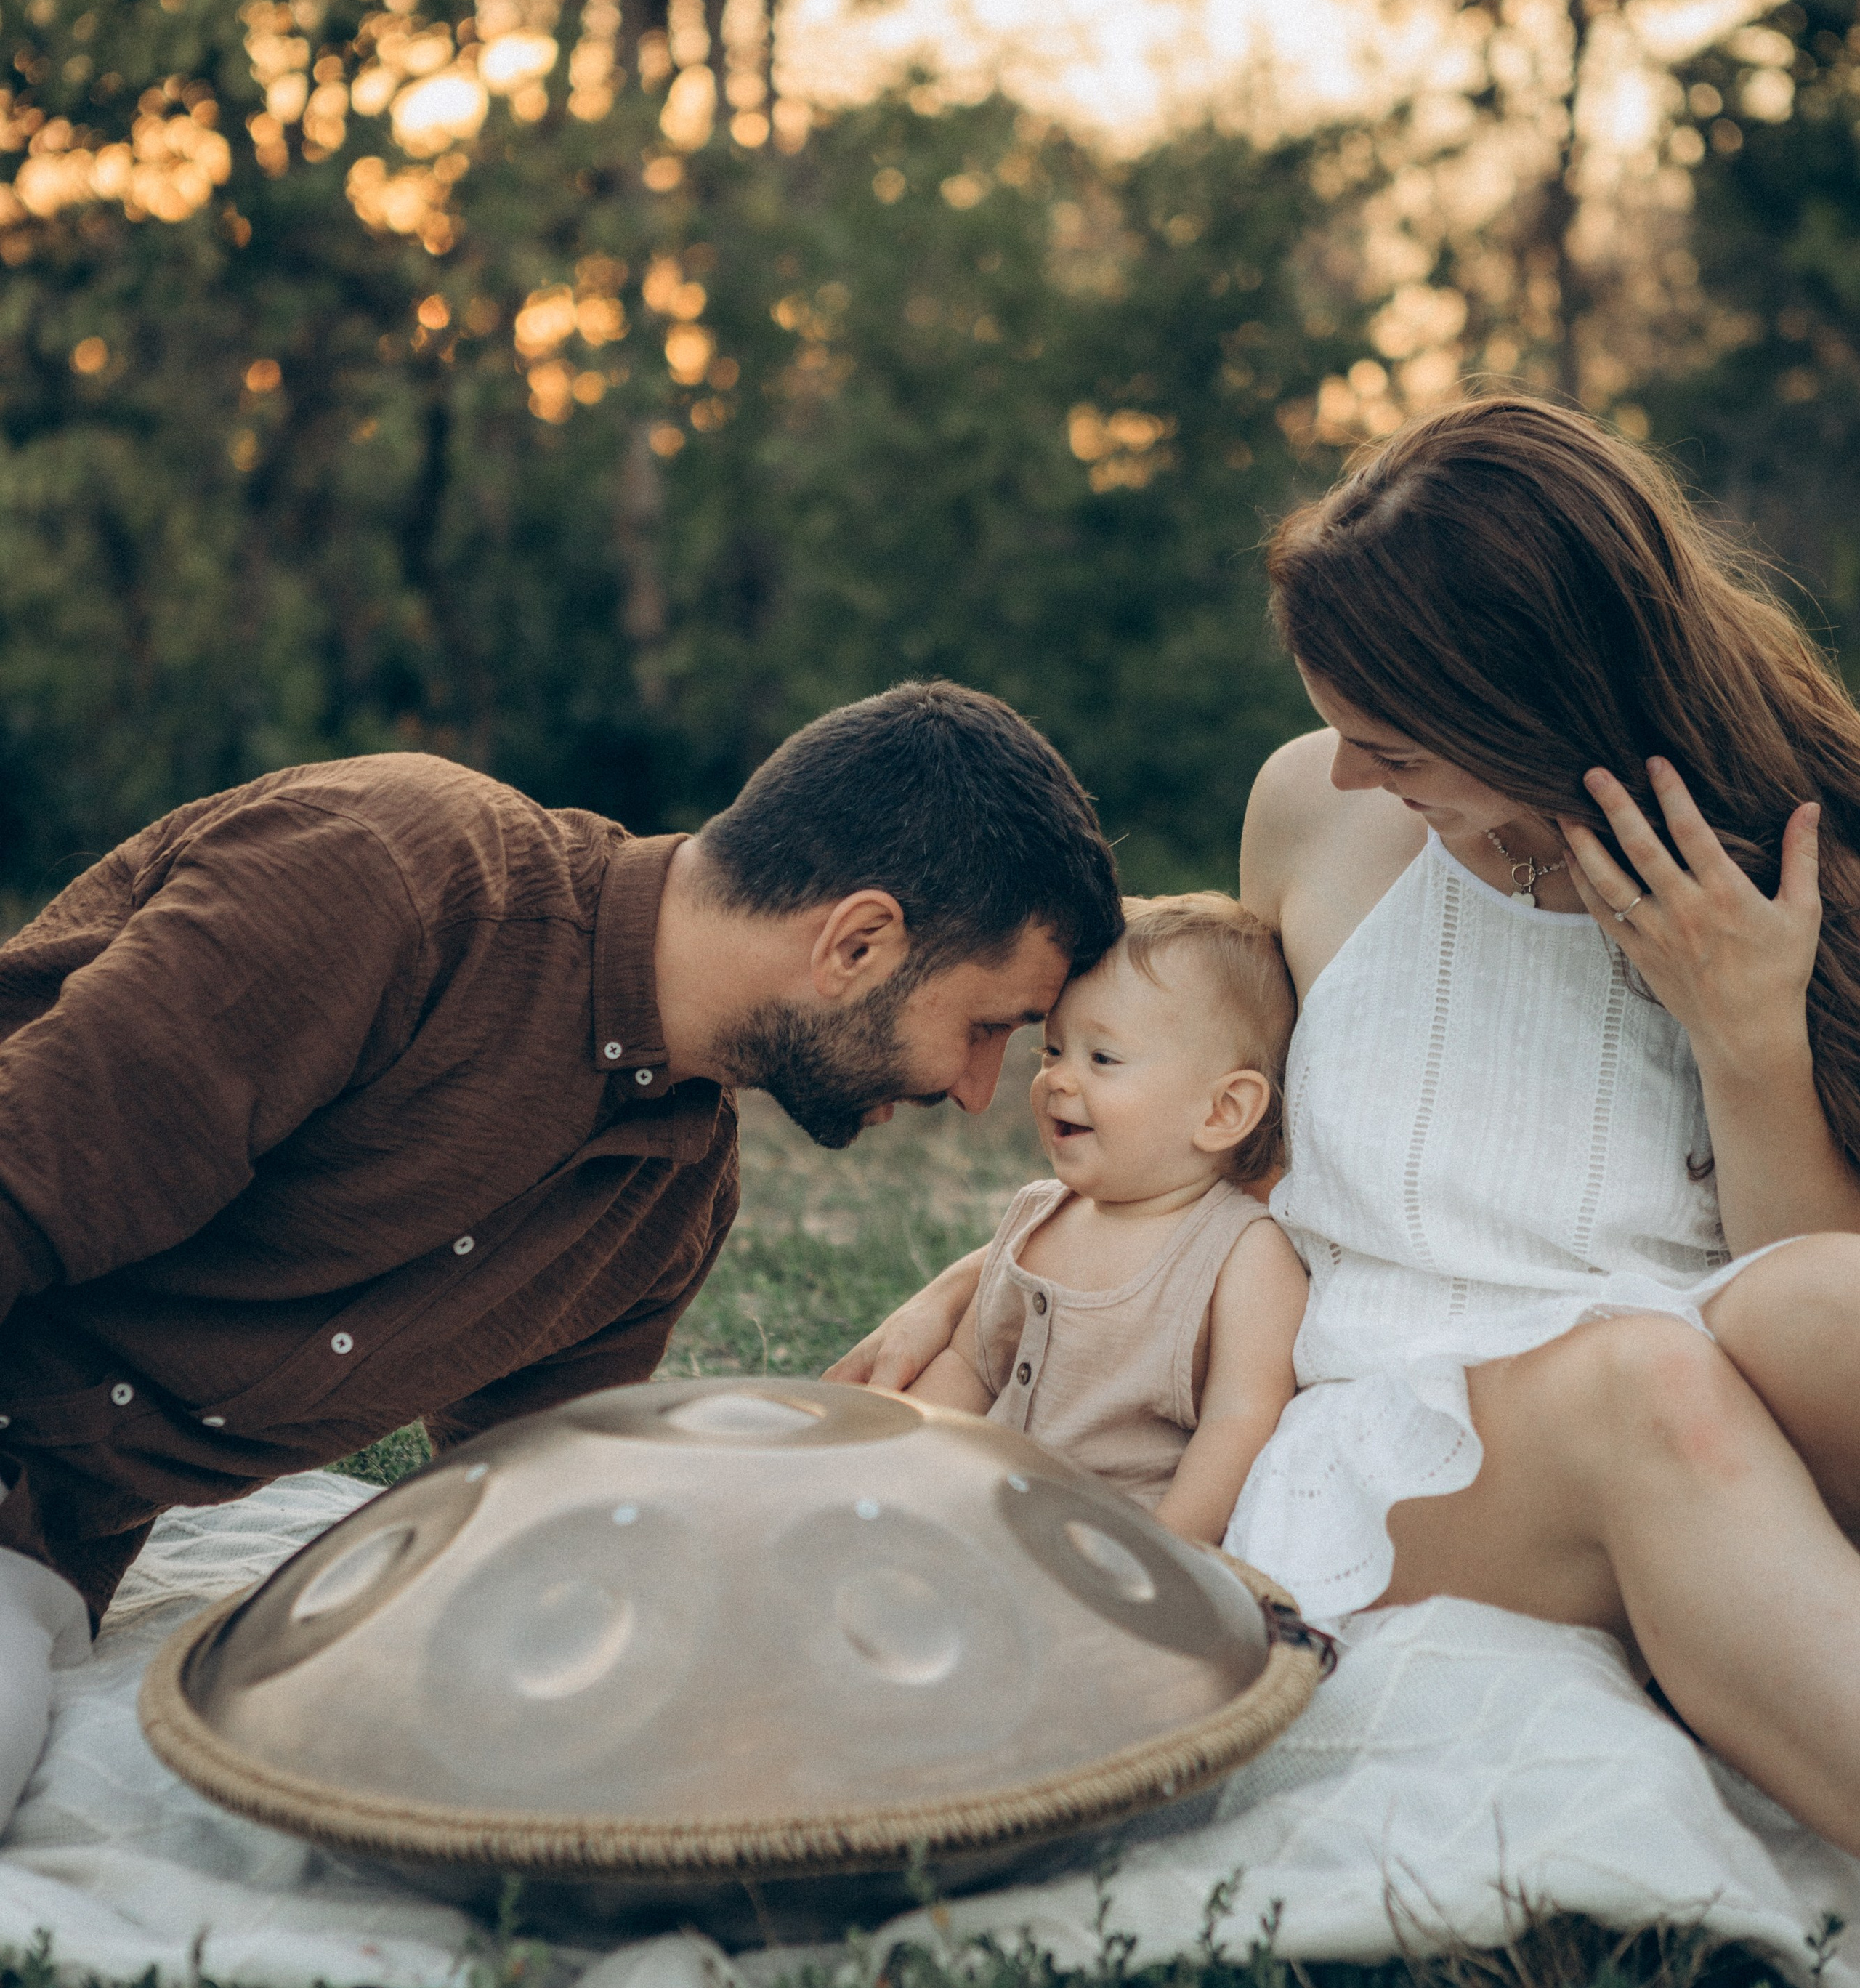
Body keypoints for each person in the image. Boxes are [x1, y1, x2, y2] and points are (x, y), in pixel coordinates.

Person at [830, 395, 1860, 1859]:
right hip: (1402, 1423)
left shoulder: (1792, 843)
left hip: (1696, 1336)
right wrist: (1005, 1264)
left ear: (1537, 708)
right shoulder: (1311, 814)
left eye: (1392, 743)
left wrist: (1744, 1035)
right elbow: (1225, 1129)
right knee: (1647, 1384)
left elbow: (1793, 1281)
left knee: (1831, 1304)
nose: (1352, 772)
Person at [0, 679, 1122, 1827]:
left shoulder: (671, 1203)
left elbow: (516, 1530)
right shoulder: (399, 878)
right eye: (988, 1027)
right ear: (860, 942)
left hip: (42, 1538)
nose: (977, 1091)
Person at [906, 894, 1309, 1542]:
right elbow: (969, 1368)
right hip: (984, 1517)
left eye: (1102, 1059)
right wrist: (899, 1464)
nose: (1059, 1080)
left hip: (1117, 1548)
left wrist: (1167, 1550)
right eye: (1053, 1051)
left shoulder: (1244, 1252)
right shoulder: (1037, 1217)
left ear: (1223, 1111)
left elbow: (1239, 1425)